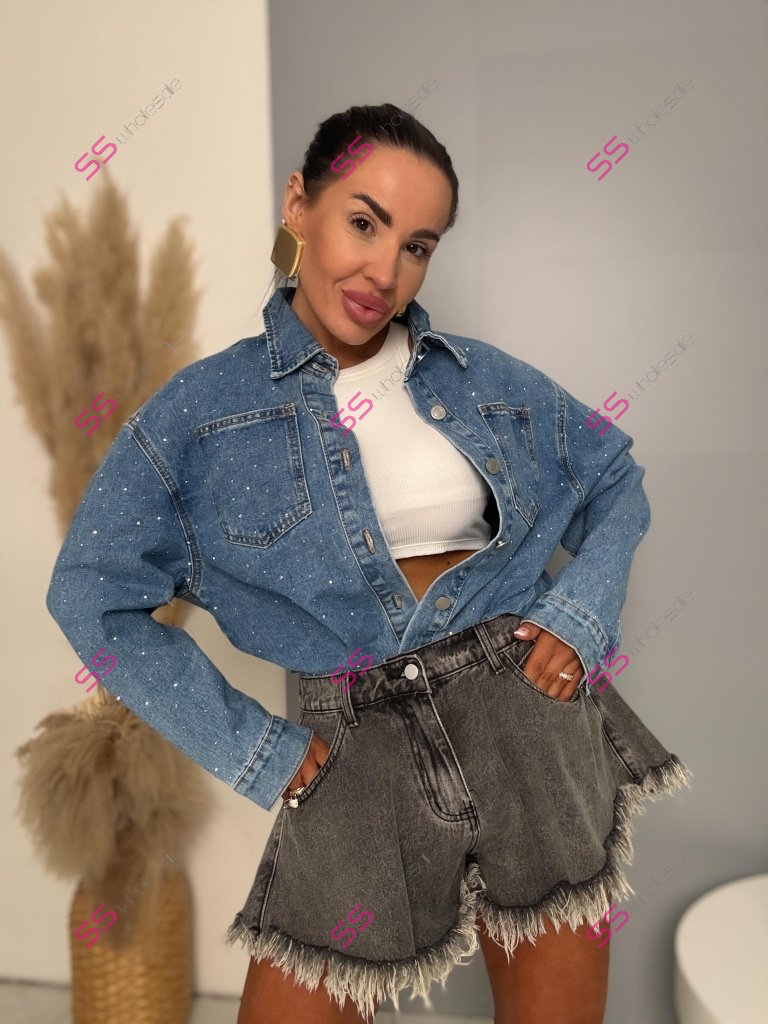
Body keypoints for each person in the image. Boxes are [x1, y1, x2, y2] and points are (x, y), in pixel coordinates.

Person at [47, 102, 691, 1024]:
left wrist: (578, 616)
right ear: (298, 205)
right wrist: (255, 749)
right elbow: (91, 593)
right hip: (351, 752)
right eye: (363, 222)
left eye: (417, 246)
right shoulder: (197, 415)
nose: (385, 273)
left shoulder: (478, 377)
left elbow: (612, 477)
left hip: (526, 723)